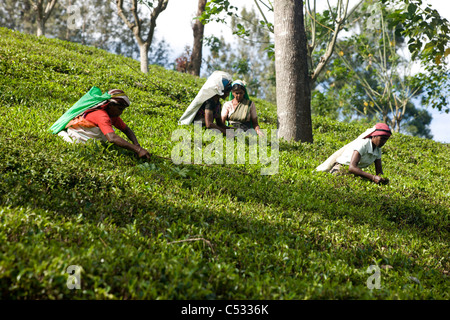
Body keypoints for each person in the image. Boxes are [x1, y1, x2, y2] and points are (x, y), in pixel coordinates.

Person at [51, 88, 151, 160]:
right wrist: (137, 150)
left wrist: (137, 146)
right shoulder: (102, 115)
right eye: (120, 109)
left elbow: (126, 129)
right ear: (111, 105)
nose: (121, 113)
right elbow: (112, 138)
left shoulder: (112, 115)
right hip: (79, 135)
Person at [316, 123, 392, 184]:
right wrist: (372, 177)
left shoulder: (378, 150)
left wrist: (383, 179)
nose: (384, 142)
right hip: (340, 169)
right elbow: (352, 167)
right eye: (382, 139)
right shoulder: (363, 144)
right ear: (374, 136)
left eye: (386, 140)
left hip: (355, 174)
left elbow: (379, 172)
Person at [178, 71, 233, 135]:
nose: (228, 94)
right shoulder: (209, 101)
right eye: (227, 91)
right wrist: (226, 133)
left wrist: (232, 130)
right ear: (220, 89)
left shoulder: (218, 104)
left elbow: (220, 124)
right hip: (198, 129)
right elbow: (209, 125)